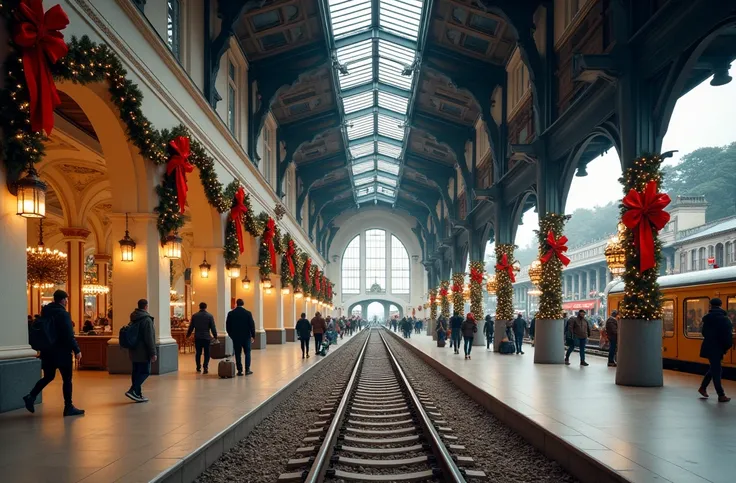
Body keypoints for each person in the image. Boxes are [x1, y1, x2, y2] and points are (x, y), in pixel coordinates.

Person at [23, 290, 85, 417]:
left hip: (47, 351)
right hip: (62, 352)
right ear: (62, 300)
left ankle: (31, 396)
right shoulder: (63, 314)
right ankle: (68, 407)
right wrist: (77, 350)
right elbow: (68, 334)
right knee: (67, 379)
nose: (67, 301)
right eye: (66, 299)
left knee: (48, 376)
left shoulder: (45, 312)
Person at [698, 298, 733, 402]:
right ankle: (721, 395)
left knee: (714, 368)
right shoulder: (725, 320)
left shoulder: (707, 319)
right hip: (718, 348)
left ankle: (703, 387)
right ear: (721, 305)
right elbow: (728, 336)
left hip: (708, 347)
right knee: (717, 370)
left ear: (710, 305)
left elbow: (703, 333)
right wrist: (726, 347)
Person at [125, 299, 156, 402]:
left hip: (133, 349)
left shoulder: (133, 317)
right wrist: (153, 353)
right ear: (146, 306)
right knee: (145, 371)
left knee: (136, 371)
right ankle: (133, 390)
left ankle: (137, 394)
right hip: (143, 351)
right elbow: (149, 338)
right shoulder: (146, 320)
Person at [225, 299, 255, 376]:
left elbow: (228, 326)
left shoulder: (231, 313)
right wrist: (253, 335)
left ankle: (239, 370)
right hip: (246, 336)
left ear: (236, 304)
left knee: (237, 353)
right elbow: (252, 325)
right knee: (247, 353)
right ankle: (247, 369)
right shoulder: (248, 313)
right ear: (243, 304)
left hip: (236, 337)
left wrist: (231, 335)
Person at [187, 302, 218, 374]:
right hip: (207, 337)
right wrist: (215, 336)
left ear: (199, 307)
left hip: (198, 337)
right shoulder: (210, 316)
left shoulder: (195, 316)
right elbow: (213, 327)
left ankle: (198, 367)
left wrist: (188, 335)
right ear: (206, 307)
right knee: (207, 353)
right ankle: (205, 366)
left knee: (198, 353)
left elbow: (191, 327)